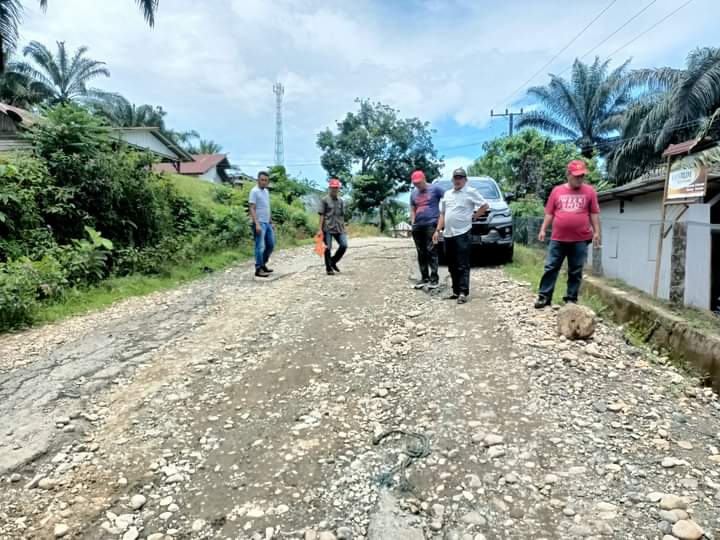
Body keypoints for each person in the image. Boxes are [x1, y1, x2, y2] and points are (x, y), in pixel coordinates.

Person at [535, 159, 601, 308]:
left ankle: (571, 299)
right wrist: (543, 229)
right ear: (568, 175)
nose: (580, 179)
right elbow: (550, 213)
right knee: (551, 267)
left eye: (582, 176)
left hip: (580, 239)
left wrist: (596, 232)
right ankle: (544, 297)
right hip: (558, 239)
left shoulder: (589, 191)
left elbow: (594, 213)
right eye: (577, 176)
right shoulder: (557, 191)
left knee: (575, 270)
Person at [432, 168, 489, 304]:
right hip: (448, 233)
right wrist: (437, 230)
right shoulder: (447, 194)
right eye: (456, 178)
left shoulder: (470, 192)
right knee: (451, 263)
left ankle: (463, 292)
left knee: (462, 263)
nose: (458, 180)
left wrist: (474, 216)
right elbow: (443, 214)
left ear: (465, 180)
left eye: (460, 178)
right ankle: (456, 290)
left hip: (463, 232)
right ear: (452, 180)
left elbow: (485, 205)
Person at [409, 170, 443, 289]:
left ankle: (434, 279)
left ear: (424, 179)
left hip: (431, 224)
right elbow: (413, 208)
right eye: (415, 183)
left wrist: (440, 224)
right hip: (418, 225)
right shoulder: (413, 193)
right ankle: (424, 278)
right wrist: (413, 223)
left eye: (419, 182)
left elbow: (446, 201)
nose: (417, 185)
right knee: (421, 252)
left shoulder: (436, 189)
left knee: (431, 250)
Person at [318, 178, 348, 276]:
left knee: (344, 245)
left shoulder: (341, 201)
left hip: (339, 227)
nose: (334, 190)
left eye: (336, 188)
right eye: (333, 188)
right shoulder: (324, 200)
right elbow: (322, 215)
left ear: (338, 189)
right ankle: (328, 268)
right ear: (329, 188)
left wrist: (344, 226)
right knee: (328, 247)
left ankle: (333, 261)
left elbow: (342, 215)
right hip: (327, 227)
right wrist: (319, 230)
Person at [249, 171, 274, 278]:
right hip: (259, 223)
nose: (264, 182)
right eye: (262, 180)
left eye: (266, 180)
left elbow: (267, 207)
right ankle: (258, 269)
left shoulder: (266, 192)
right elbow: (252, 208)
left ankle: (263, 264)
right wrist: (257, 224)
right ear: (258, 180)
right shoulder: (254, 191)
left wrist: (271, 222)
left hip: (267, 223)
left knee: (271, 244)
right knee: (260, 246)